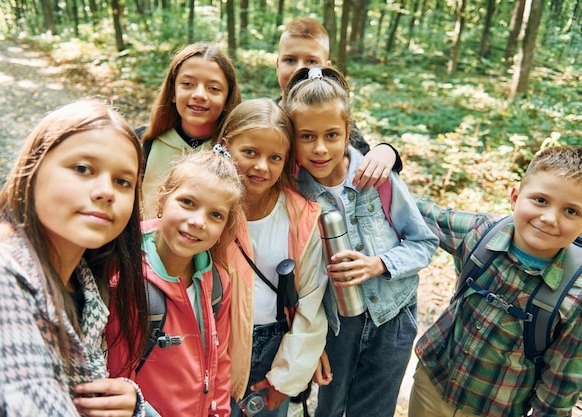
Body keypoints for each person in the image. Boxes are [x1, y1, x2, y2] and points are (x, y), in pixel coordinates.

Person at [0, 99, 149, 417]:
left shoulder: (93, 292)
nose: (106, 191)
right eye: (83, 169)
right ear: (33, 169)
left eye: (123, 181)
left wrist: (133, 409)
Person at [283, 66, 439, 417]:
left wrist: (378, 264)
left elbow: (423, 242)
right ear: (291, 137)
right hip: (335, 327)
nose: (320, 148)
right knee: (330, 408)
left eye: (331, 135)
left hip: (392, 319)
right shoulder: (292, 194)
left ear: (348, 132)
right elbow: (290, 278)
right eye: (306, 136)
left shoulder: (378, 177)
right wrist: (308, 342)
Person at [407, 145, 582, 417]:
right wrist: (383, 158)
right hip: (432, 381)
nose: (549, 218)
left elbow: (559, 387)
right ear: (515, 196)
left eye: (571, 211)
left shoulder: (576, 296)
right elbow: (422, 213)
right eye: (540, 200)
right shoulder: (481, 233)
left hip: (496, 409)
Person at [106, 147, 245, 417]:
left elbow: (220, 361)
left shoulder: (218, 282)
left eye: (215, 215)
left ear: (225, 227)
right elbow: (119, 377)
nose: (197, 222)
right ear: (162, 198)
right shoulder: (127, 279)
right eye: (188, 203)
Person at [217, 98, 328, 417]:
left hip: (272, 352)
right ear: (225, 145)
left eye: (274, 157)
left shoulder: (300, 217)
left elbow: (310, 301)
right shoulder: (205, 205)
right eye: (249, 152)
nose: (261, 166)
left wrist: (284, 378)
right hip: (214, 347)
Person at [275, 16, 403, 190]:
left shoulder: (332, 115)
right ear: (277, 64)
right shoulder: (266, 117)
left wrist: (387, 151)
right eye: (290, 60)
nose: (299, 68)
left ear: (326, 67)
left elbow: (364, 157)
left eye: (311, 61)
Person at [139, 42, 242, 219]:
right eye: (187, 84)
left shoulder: (236, 153)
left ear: (227, 100)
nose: (199, 95)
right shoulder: (142, 143)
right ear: (173, 92)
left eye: (214, 89)